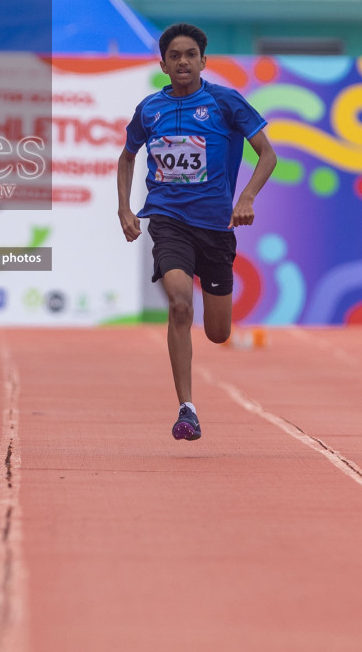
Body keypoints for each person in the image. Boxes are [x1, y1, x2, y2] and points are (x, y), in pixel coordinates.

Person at [117, 22, 278, 442]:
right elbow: (127, 155)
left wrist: (246, 199)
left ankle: (202, 357)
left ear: (203, 61)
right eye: (175, 56)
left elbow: (267, 155)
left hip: (215, 228)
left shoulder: (225, 102)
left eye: (191, 54)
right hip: (169, 221)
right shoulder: (149, 108)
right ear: (163, 64)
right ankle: (186, 407)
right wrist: (124, 209)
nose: (183, 61)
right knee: (180, 304)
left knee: (218, 332)